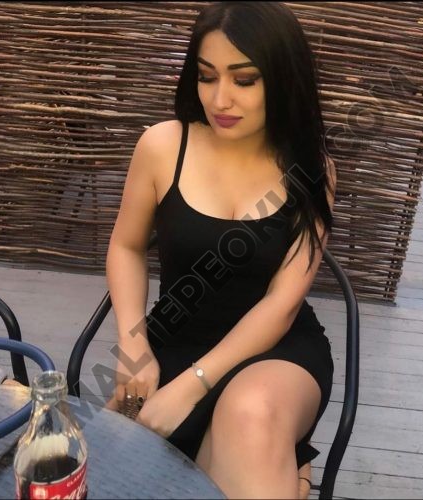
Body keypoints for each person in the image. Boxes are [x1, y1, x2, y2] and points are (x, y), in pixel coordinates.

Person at [105, 2, 336, 498]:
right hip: (174, 338)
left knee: (248, 413)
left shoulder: (311, 168)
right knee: (112, 471)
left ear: (283, 78)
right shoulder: (163, 146)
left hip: (275, 351)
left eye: (244, 80)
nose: (220, 99)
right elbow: (126, 246)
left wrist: (191, 387)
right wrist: (133, 343)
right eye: (206, 76)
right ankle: (290, 471)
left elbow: (282, 303)